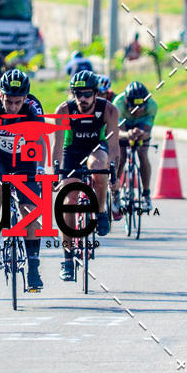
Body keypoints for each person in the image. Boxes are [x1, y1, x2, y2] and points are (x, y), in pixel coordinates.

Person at [0, 69, 46, 291]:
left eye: (18, 102)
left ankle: (33, 266)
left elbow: (40, 140)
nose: (13, 106)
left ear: (25, 98)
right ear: (1, 95)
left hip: (26, 156)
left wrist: (41, 169)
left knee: (30, 210)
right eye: (9, 101)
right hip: (0, 155)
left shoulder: (33, 108)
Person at [52, 70, 119, 281]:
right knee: (68, 199)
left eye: (86, 94)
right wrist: (56, 172)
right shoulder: (64, 110)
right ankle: (67, 258)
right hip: (72, 150)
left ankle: (100, 212)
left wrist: (114, 171)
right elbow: (57, 145)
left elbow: (114, 144)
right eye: (77, 94)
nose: (82, 99)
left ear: (96, 93)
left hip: (96, 147)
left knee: (99, 168)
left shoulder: (108, 109)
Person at [112, 81, 158, 216]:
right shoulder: (118, 104)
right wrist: (128, 135)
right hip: (124, 126)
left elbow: (148, 132)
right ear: (127, 101)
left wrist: (142, 134)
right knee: (121, 157)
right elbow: (117, 133)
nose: (138, 111)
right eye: (134, 107)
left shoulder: (151, 106)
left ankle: (146, 193)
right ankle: (115, 192)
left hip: (141, 125)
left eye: (141, 107)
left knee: (142, 154)